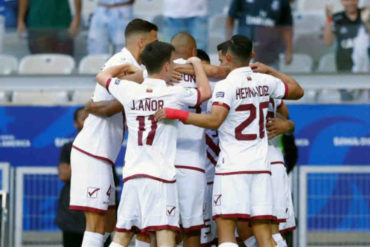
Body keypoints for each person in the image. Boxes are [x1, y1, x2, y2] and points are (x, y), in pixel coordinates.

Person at [155, 35, 304, 247]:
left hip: (232, 167)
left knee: (226, 228)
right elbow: (298, 91)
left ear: (226, 57)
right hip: (261, 167)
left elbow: (215, 120)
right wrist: (272, 71)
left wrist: (178, 114)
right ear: (251, 56)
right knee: (264, 231)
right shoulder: (266, 82)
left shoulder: (226, 85)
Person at [95, 41, 211, 247]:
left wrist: (126, 68)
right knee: (165, 232)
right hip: (160, 176)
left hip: (132, 174)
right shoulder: (173, 93)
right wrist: (197, 64)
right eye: (173, 65)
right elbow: (205, 93)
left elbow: (102, 76)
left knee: (122, 235)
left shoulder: (130, 90)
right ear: (167, 66)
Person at [69, 19, 158, 247]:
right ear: (141, 42)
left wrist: (91, 106)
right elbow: (108, 108)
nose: (156, 47)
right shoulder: (123, 64)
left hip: (102, 155)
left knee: (109, 224)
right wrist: (90, 107)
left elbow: (103, 105)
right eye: (153, 42)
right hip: (92, 152)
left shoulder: (130, 65)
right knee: (97, 226)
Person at [170, 32, 208, 247]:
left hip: (164, 161)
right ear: (194, 52)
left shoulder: (159, 73)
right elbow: (223, 71)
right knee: (192, 228)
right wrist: (197, 65)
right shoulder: (204, 75)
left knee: (161, 227)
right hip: (193, 161)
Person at [226, 0, 293, 68]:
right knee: (243, 76)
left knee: (270, 77)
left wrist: (288, 50)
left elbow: (287, 27)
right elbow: (230, 18)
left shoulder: (282, 2)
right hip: (244, 52)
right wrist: (228, 44)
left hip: (270, 53)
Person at [56, 107, 88, 247]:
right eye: (83, 118)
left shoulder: (105, 146)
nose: (87, 121)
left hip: (97, 213)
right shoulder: (68, 147)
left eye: (90, 118)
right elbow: (64, 175)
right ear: (75, 123)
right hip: (72, 216)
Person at [17, 0, 81, 55]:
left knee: (64, 61)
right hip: (37, 22)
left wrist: (77, 17)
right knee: (39, 62)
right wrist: (20, 20)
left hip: (62, 21)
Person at [324, 0, 370, 72]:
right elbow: (328, 42)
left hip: (365, 66)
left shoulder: (365, 14)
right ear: (342, 1)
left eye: (353, 0)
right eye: (346, 0)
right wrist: (329, 19)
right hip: (344, 65)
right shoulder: (337, 18)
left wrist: (367, 21)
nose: (350, 3)